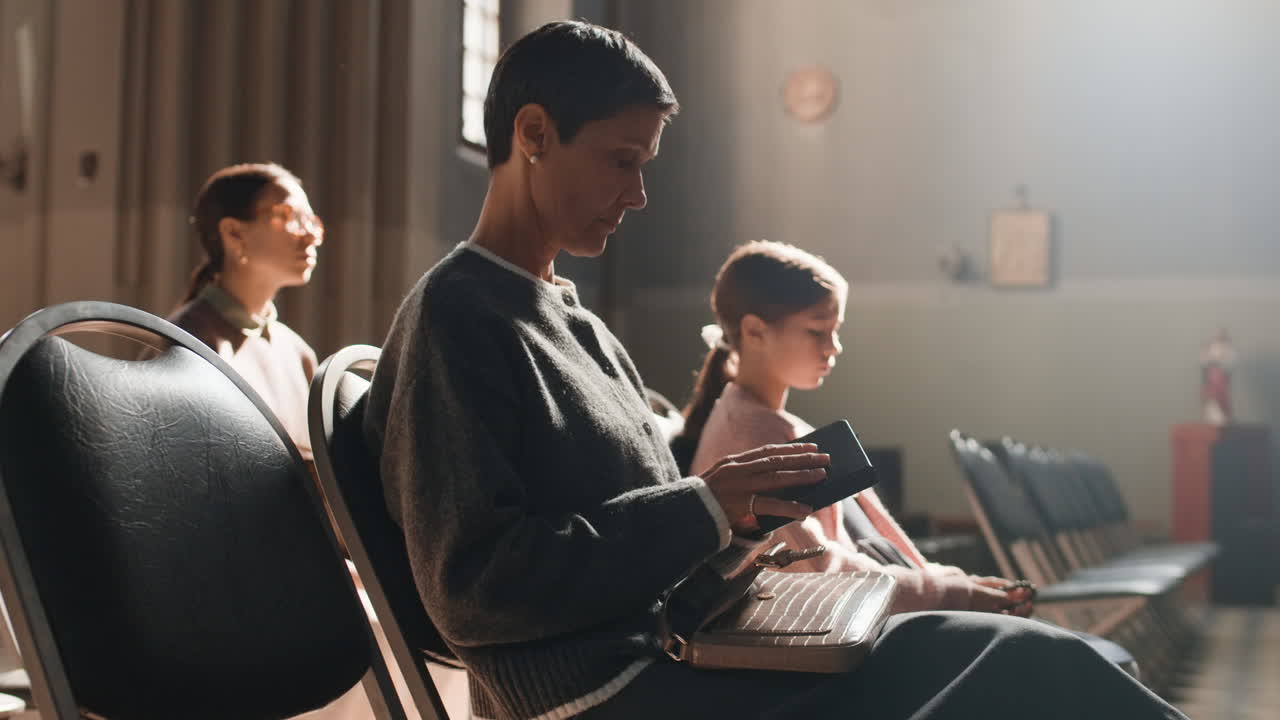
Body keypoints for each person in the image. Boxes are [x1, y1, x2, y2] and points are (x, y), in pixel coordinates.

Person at [363, 20, 1187, 720]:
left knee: (1030, 653)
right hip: (607, 692)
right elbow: (474, 588)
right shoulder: (457, 318)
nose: (639, 194)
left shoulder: (576, 323)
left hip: (688, 649)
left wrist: (743, 527)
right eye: (622, 160)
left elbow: (648, 544)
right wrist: (704, 507)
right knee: (1034, 673)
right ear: (535, 133)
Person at [678, 240, 1032, 616]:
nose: (834, 347)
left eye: (836, 330)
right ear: (754, 332)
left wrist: (953, 583)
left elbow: (860, 549)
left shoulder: (777, 426)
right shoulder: (749, 440)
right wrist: (949, 593)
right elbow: (816, 572)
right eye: (817, 331)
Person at [166, 162, 323, 461]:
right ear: (234, 233)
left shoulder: (298, 353)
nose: (310, 236)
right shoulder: (186, 342)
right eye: (288, 216)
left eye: (311, 221)